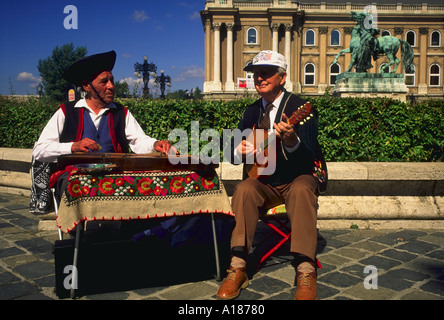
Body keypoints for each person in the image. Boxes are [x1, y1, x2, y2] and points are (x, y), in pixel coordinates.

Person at [217, 50, 327, 300]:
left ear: (282, 77)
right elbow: (232, 154)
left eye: (265, 73)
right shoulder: (251, 112)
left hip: (297, 177)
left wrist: (291, 140)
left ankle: (305, 268)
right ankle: (238, 266)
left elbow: (309, 153)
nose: (259, 78)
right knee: (244, 189)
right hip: (265, 182)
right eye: (256, 74)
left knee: (301, 188)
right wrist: (239, 149)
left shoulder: (301, 108)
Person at [32, 50, 175, 200]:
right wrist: (72, 147)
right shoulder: (66, 112)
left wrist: (155, 144)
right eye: (104, 81)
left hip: (114, 178)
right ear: (87, 86)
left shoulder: (121, 112)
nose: (111, 86)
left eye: (112, 80)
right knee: (76, 185)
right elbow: (39, 150)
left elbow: (138, 140)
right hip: (75, 178)